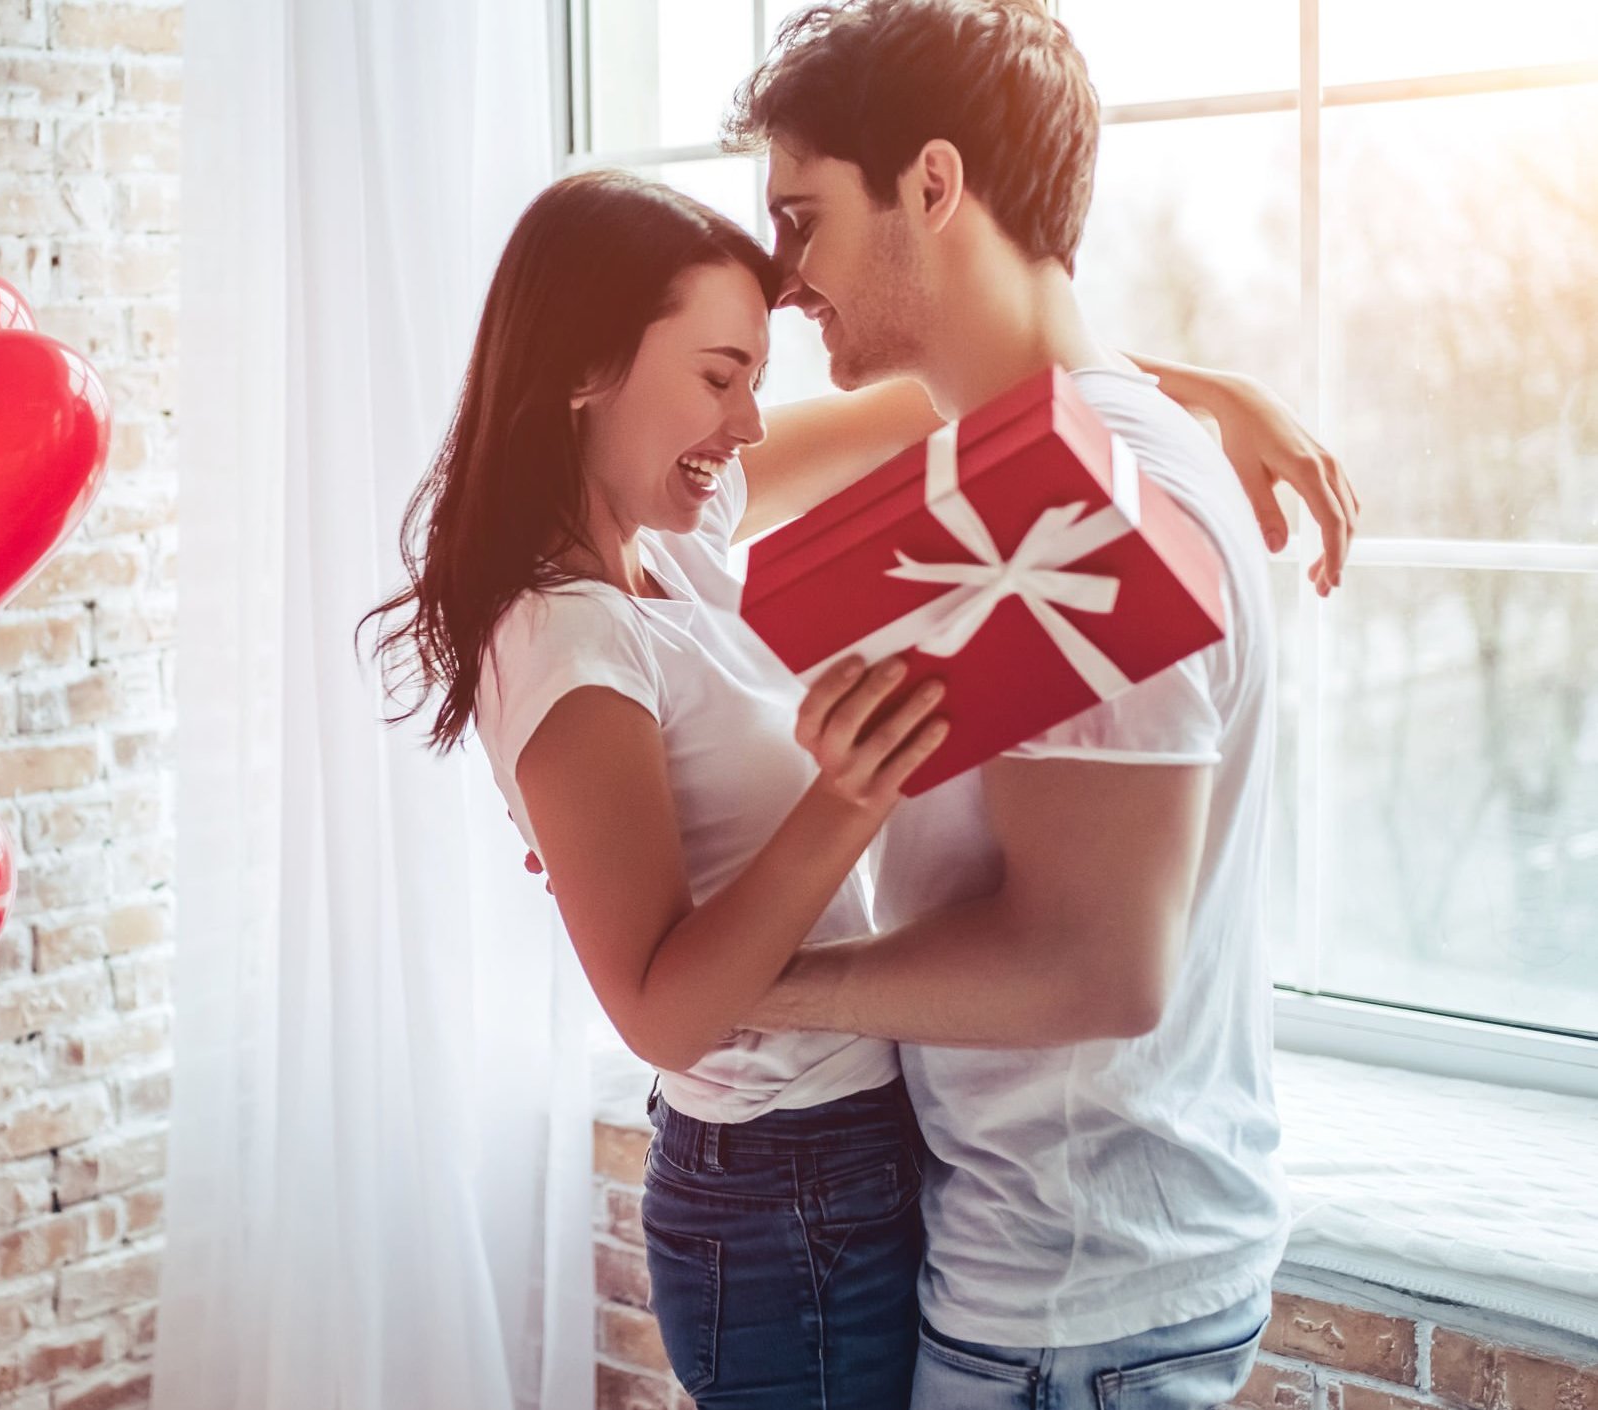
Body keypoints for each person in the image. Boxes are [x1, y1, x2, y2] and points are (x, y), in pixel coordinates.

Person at [364, 165, 1352, 1406]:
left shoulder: (674, 535)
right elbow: (661, 1017)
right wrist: (850, 794)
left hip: (858, 1152)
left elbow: (934, 403)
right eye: (719, 377)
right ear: (583, 368)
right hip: (774, 1197)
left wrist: (1207, 391)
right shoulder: (569, 645)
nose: (749, 428)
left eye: (755, 382)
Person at [727, 3, 1345, 1406]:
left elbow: (1091, 966)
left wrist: (759, 987)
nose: (781, 280)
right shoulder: (1050, 457)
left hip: (1073, 1312)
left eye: (799, 218)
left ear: (931, 186)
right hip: (1088, 1277)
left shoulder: (1067, 519)